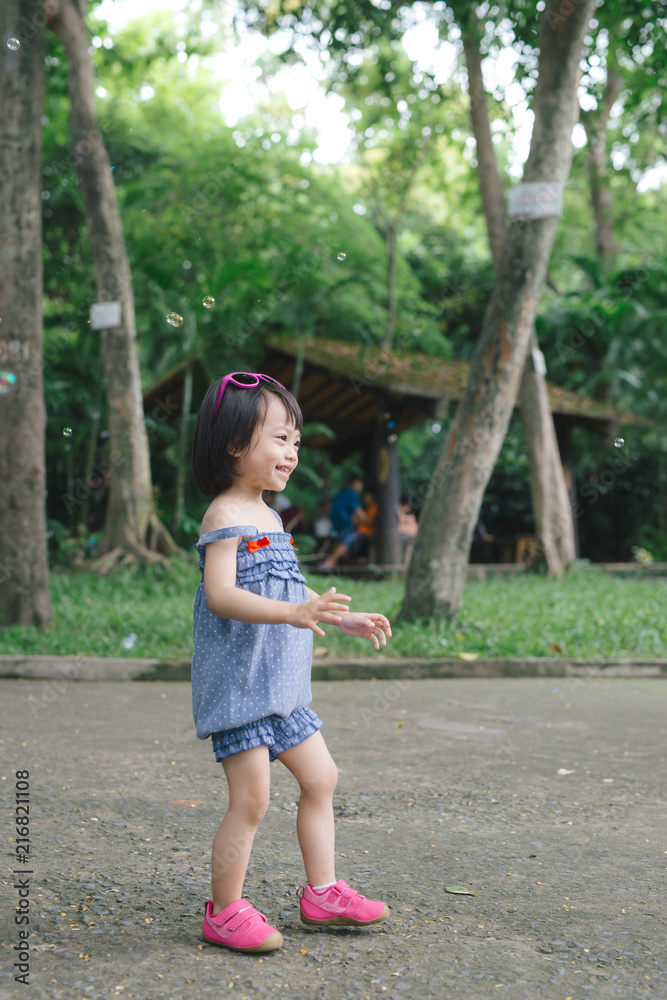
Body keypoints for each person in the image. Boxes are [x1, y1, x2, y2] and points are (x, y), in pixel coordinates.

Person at [190, 371, 392, 954]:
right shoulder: (225, 515)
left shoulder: (273, 519)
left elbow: (291, 595)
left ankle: (323, 892)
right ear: (234, 444)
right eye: (280, 438)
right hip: (241, 688)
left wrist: (336, 618)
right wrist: (292, 615)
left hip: (283, 689)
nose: (292, 452)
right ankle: (224, 910)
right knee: (252, 800)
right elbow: (223, 595)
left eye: (296, 442)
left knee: (322, 778)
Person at [319, 480, 374, 572]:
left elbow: (366, 520)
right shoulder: (350, 494)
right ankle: (332, 562)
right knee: (342, 539)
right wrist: (361, 520)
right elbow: (361, 516)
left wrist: (360, 521)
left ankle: (331, 562)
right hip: (351, 527)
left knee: (344, 540)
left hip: (359, 530)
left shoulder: (374, 507)